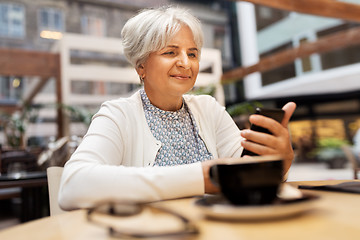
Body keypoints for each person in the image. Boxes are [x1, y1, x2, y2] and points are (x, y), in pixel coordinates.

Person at [58, 6, 296, 210]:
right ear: (141, 67)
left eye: (192, 54)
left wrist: (278, 162)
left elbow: (245, 175)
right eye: (170, 52)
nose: (185, 62)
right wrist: (202, 177)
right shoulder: (118, 114)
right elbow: (72, 186)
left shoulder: (209, 109)